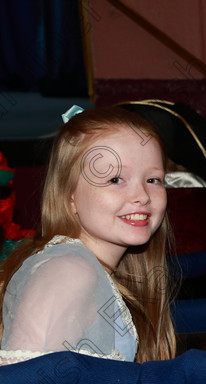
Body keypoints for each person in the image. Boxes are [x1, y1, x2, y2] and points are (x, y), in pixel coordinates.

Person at [0, 106, 175, 364]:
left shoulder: (85, 267)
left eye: (153, 180)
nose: (142, 196)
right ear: (69, 196)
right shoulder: (69, 271)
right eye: (115, 179)